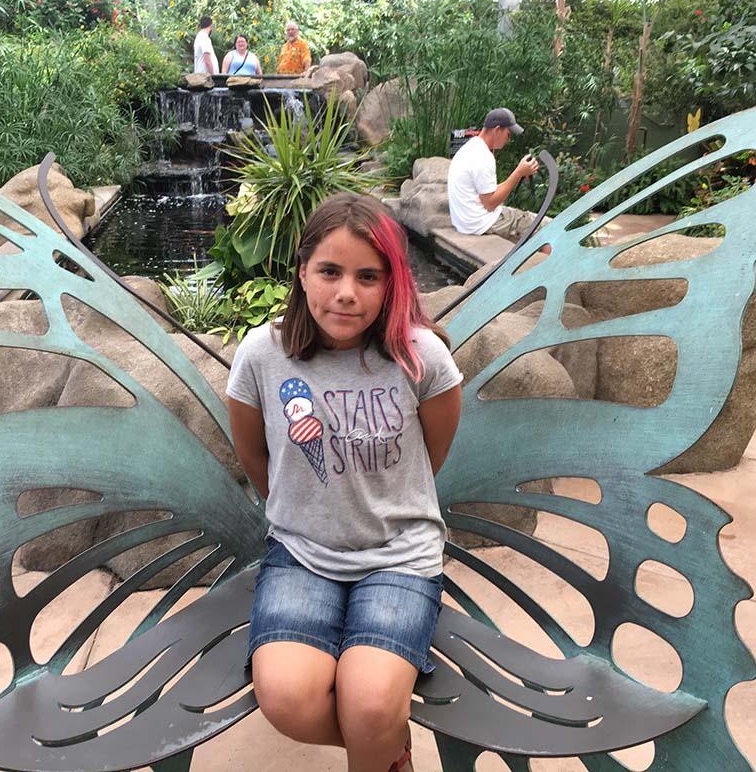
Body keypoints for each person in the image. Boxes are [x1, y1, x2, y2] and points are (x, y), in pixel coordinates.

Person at [226, 192, 463, 772]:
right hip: (303, 553)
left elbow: (431, 455)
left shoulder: (420, 356)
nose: (347, 292)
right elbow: (256, 456)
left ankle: (377, 742)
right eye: (329, 271)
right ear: (302, 270)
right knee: (287, 699)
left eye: (368, 276)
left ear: (391, 283)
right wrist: (310, 501)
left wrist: (374, 499)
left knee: (372, 703)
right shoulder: (263, 353)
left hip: (399, 557)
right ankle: (387, 750)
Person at [447, 107, 539, 239]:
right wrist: (518, 173)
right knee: (542, 226)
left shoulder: (471, 147)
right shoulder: (483, 156)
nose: (508, 140)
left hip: (466, 222)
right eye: (508, 134)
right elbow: (490, 203)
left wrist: (519, 173)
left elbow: (488, 193)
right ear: (497, 130)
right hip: (481, 223)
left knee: (528, 218)